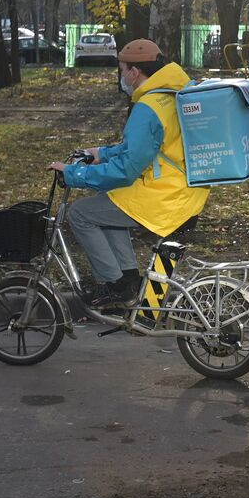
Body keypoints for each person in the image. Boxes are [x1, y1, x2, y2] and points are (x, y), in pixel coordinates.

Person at [47, 39, 208, 308]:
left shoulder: (148, 108)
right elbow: (147, 150)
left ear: (135, 72)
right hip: (181, 190)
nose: (122, 76)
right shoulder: (170, 94)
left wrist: (74, 174)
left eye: (122, 70)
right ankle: (128, 280)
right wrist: (102, 152)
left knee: (81, 214)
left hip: (167, 198)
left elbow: (127, 170)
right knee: (109, 199)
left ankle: (116, 284)